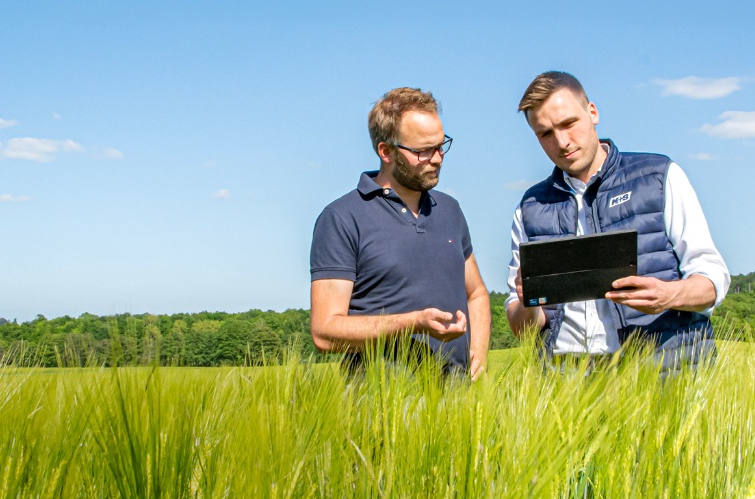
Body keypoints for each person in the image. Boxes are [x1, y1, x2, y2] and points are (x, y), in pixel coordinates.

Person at [505, 71, 730, 373]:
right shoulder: (530, 207)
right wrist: (527, 301)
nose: (561, 141)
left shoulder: (658, 177)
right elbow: (523, 328)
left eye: (569, 123)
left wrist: (667, 295)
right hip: (566, 386)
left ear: (593, 113)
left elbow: (713, 280)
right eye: (545, 133)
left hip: (661, 370)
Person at [310, 87, 491, 379]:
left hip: (458, 405)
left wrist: (479, 350)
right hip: (379, 407)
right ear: (386, 152)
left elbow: (477, 293)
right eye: (423, 151)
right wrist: (414, 322)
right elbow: (324, 332)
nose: (438, 158)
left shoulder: (450, 210)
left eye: (441, 145)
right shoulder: (341, 218)